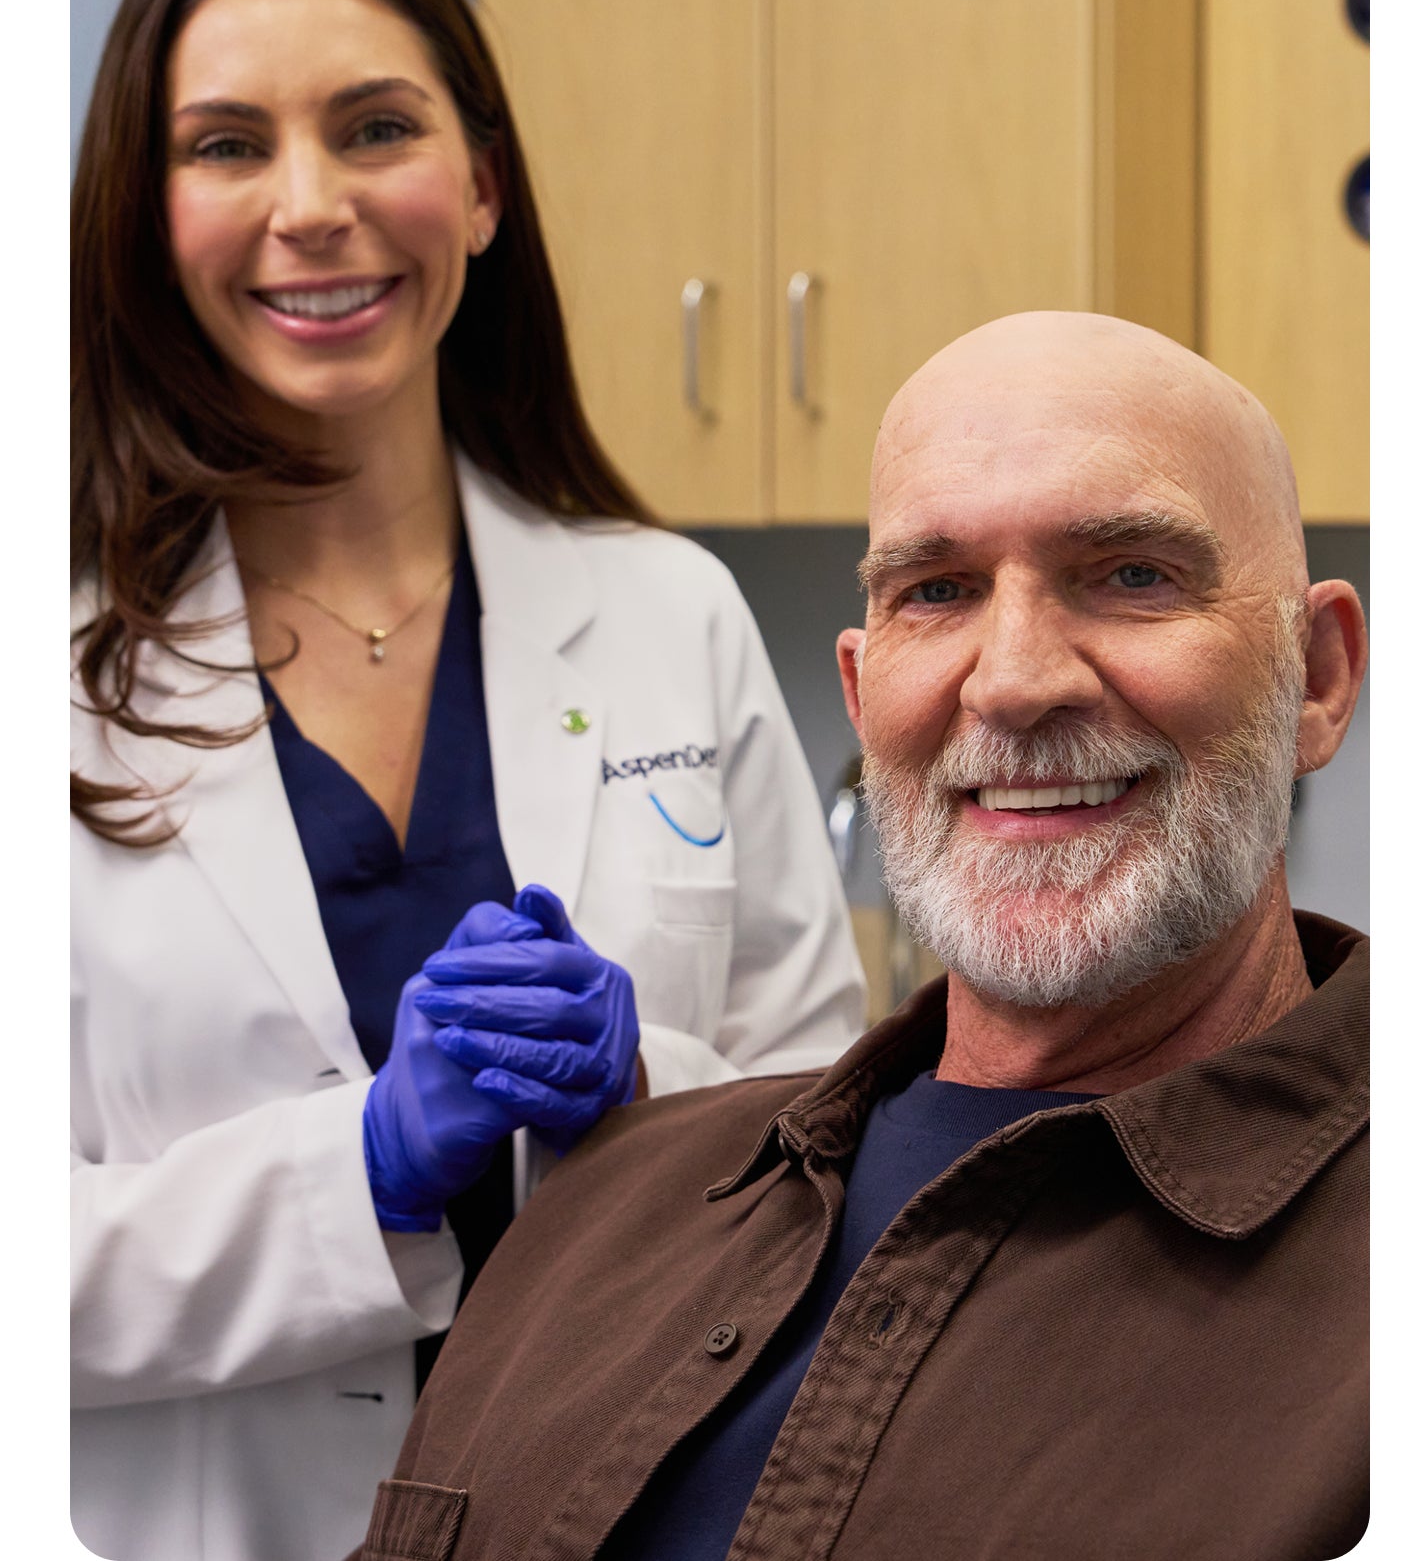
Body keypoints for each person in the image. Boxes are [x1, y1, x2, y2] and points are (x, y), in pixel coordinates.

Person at [70, 0, 864, 1561]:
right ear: (144, 215)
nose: (312, 206)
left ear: (483, 186)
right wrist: (360, 1162)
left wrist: (647, 1090)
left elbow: (833, 1146)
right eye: (225, 145)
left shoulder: (669, 616)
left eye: (375, 129)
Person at [359, 311, 1369, 1561]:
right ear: (859, 689)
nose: (1011, 679)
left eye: (1132, 574)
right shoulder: (593, 1216)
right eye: (937, 590)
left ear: (1318, 673)